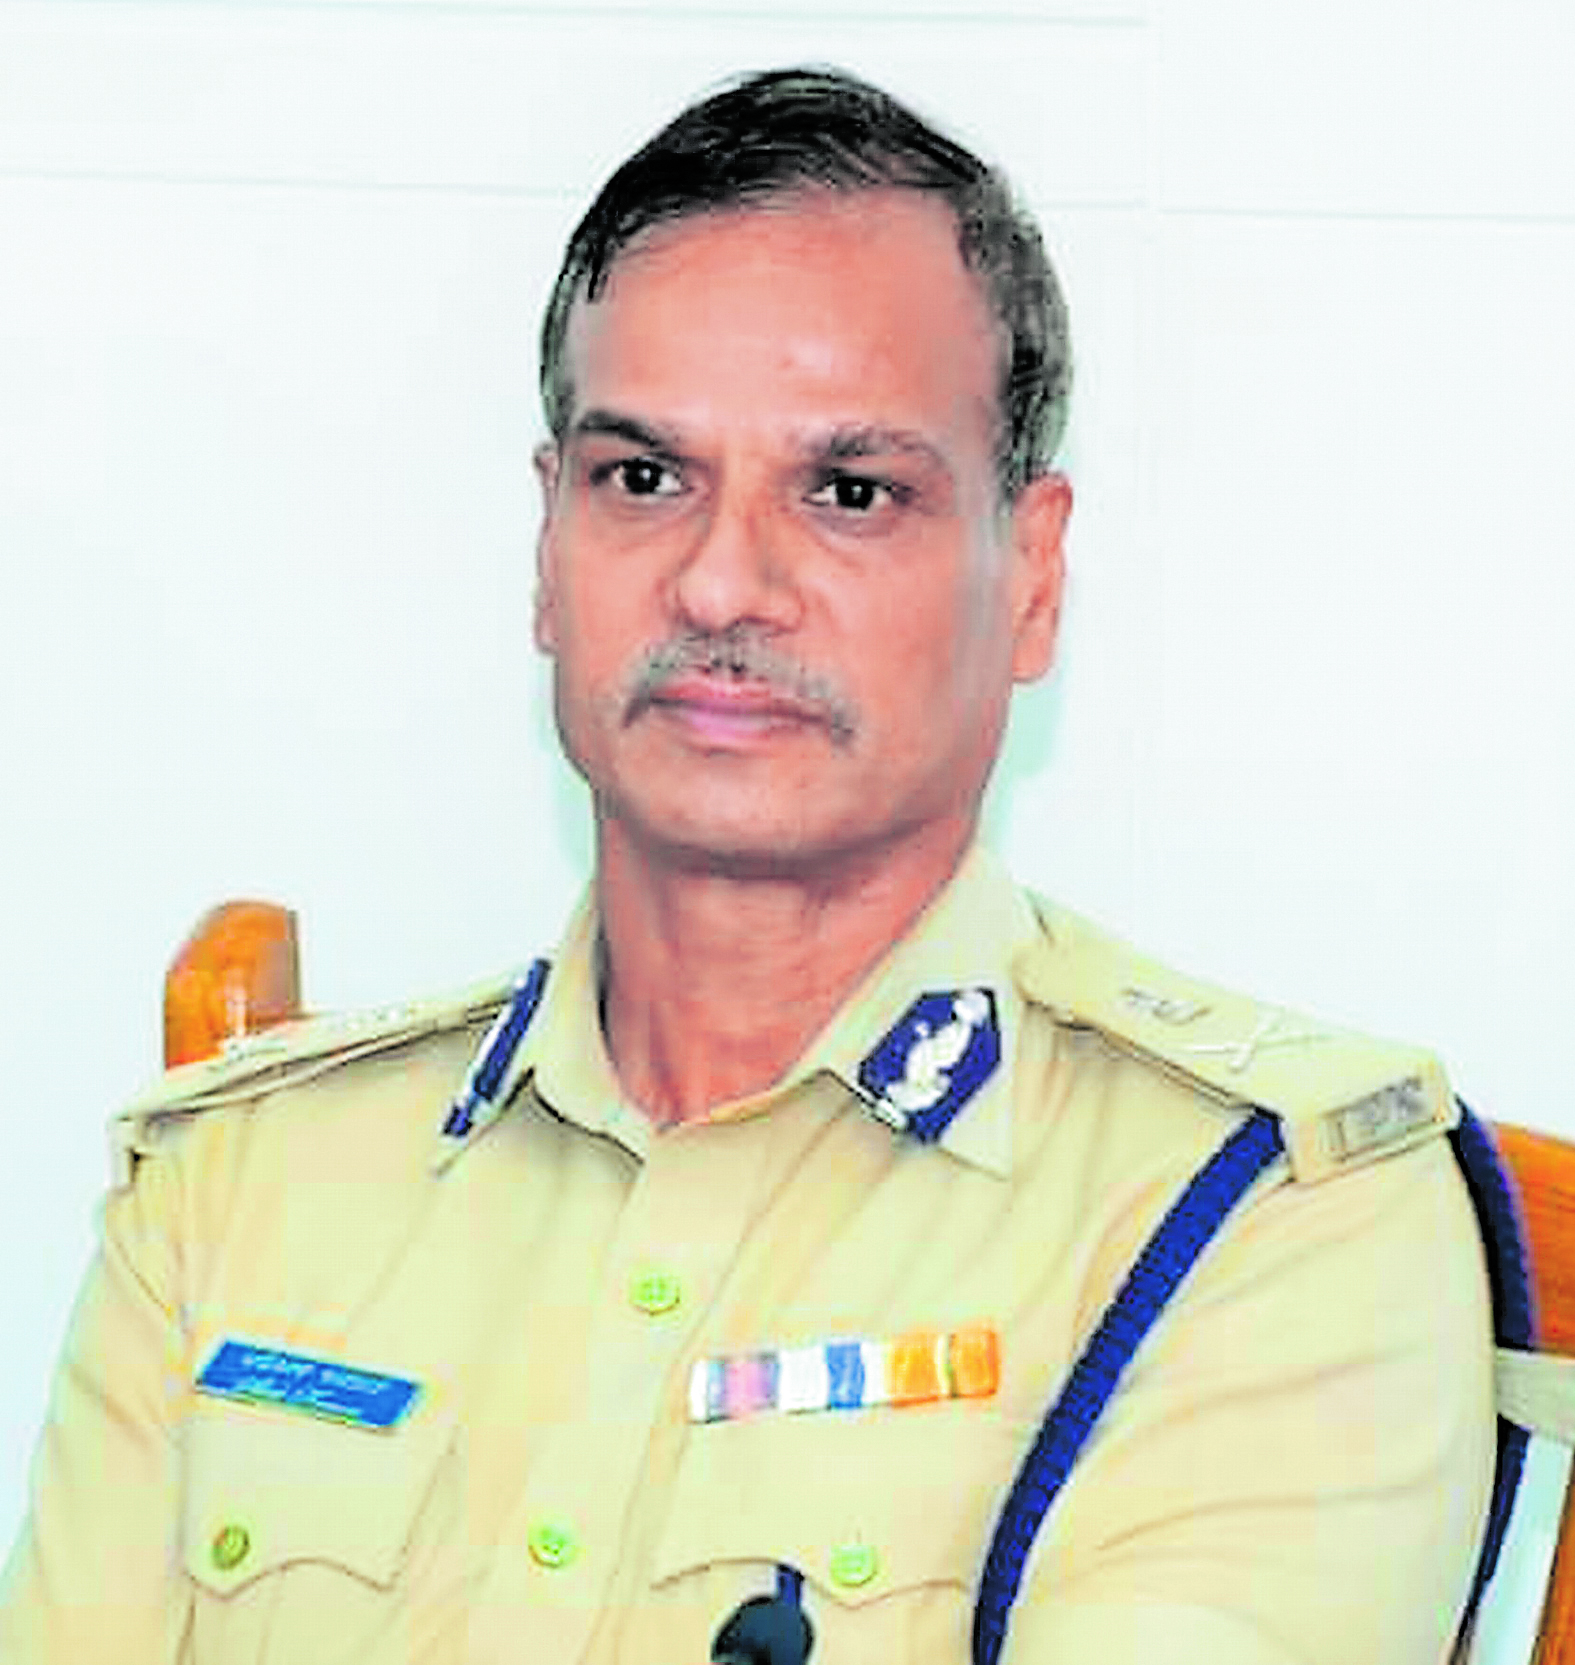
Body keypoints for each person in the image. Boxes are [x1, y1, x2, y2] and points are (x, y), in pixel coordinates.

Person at [0, 66, 1497, 1665]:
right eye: (642, 478)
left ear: (1032, 573)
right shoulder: (244, 1177)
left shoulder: (1266, 1215)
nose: (721, 580)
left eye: (849, 493)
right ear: (546, 548)